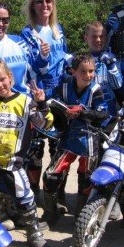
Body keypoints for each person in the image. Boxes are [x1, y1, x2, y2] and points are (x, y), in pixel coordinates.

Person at [0, 60, 53, 247]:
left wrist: (42, 104)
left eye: (3, 80)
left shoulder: (25, 102)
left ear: (10, 78)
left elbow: (45, 124)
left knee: (25, 198)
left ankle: (34, 235)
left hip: (13, 164)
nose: (0, 85)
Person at [42, 53, 109, 226]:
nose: (88, 75)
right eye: (83, 71)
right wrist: (42, 102)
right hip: (68, 138)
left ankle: (81, 214)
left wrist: (82, 111)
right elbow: (51, 101)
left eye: (91, 71)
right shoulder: (63, 87)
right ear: (73, 71)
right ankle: (51, 212)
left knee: (86, 178)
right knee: (51, 174)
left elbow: (103, 114)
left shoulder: (96, 90)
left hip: (90, 140)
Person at [20, 0, 71, 208]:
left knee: (59, 145)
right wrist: (41, 58)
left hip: (60, 93)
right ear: (32, 6)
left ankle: (56, 192)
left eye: (48, 1)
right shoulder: (27, 33)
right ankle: (33, 194)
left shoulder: (58, 29)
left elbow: (63, 58)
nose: (45, 5)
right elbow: (30, 65)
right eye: (39, 1)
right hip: (38, 94)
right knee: (35, 148)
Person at [83, 21, 123, 117]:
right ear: (86, 38)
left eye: (101, 36)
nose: (98, 40)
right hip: (88, 105)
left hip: (109, 107)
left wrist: (111, 65)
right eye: (94, 36)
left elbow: (118, 85)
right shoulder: (80, 60)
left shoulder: (112, 58)